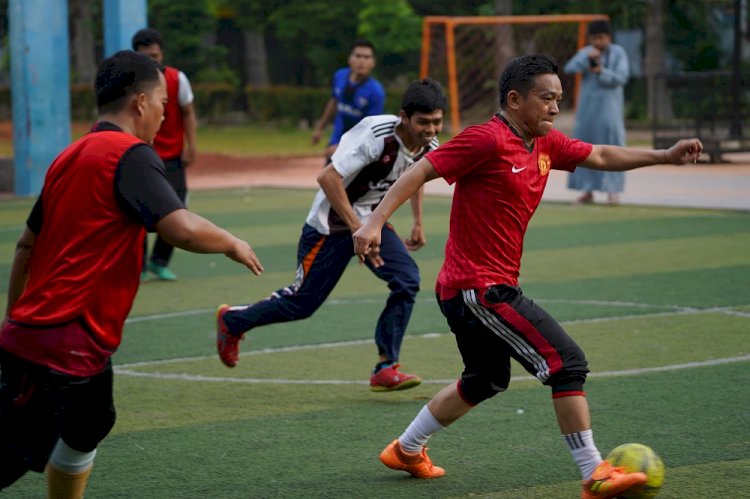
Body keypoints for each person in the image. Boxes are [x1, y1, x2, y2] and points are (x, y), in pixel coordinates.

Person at [352, 55, 701, 497]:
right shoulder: (486, 139)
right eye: (547, 99)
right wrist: (375, 222)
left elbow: (600, 153)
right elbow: (422, 169)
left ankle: (406, 448)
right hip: (479, 287)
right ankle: (594, 471)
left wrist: (664, 156)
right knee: (566, 362)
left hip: (474, 288)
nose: (555, 108)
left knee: (486, 378)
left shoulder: (544, 143)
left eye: (559, 99)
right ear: (515, 100)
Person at [0, 50, 263, 497]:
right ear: (141, 102)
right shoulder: (130, 154)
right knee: (15, 453)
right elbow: (178, 226)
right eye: (162, 102)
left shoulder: (70, 155)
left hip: (53, 335)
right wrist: (232, 242)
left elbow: (27, 244)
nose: (165, 114)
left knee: (93, 421)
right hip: (63, 341)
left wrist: (15, 323)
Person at [217, 79, 446, 391]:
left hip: (370, 222)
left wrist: (417, 222)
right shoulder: (376, 134)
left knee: (407, 281)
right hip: (331, 226)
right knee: (301, 304)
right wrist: (357, 229)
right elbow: (328, 177)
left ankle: (386, 366)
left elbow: (413, 179)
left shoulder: (429, 146)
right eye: (424, 122)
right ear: (404, 116)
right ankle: (233, 321)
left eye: (437, 121)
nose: (431, 130)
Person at [133, 27, 198, 281]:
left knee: (177, 207)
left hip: (172, 155)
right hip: (139, 154)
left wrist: (192, 146)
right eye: (146, 56)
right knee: (136, 210)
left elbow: (188, 112)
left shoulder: (177, 79)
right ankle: (137, 266)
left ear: (162, 54)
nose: (152, 61)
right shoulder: (130, 82)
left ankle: (160, 261)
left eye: (156, 56)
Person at [564, 20, 630, 205]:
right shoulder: (586, 52)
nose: (597, 41)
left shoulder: (618, 53)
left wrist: (602, 71)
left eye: (600, 37)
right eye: (593, 38)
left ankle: (613, 191)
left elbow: (622, 77)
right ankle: (587, 190)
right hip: (587, 112)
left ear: (608, 37)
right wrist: (587, 59)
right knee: (585, 149)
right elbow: (570, 68)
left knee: (613, 148)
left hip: (610, 111)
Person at [311, 40, 386, 163]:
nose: (361, 61)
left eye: (367, 57)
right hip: (335, 141)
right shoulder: (339, 76)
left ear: (373, 63)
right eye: (358, 56)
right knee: (326, 179)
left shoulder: (376, 92)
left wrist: (342, 148)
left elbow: (370, 129)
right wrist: (320, 129)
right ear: (350, 59)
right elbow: (334, 102)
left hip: (357, 149)